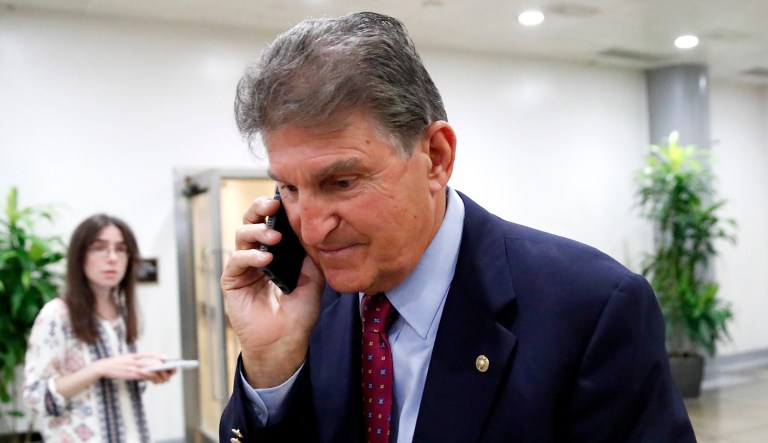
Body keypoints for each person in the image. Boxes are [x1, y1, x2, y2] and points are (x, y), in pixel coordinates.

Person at [219, 11, 696, 443]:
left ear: (437, 158)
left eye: (342, 182)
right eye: (290, 190)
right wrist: (272, 366)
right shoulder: (307, 306)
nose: (314, 229)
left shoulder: (590, 308)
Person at [23, 214, 176, 443]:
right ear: (80, 256)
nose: (112, 258)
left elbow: (115, 389)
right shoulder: (56, 315)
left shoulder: (122, 313)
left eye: (121, 249)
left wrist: (144, 372)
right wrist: (97, 369)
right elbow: (36, 395)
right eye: (99, 248)